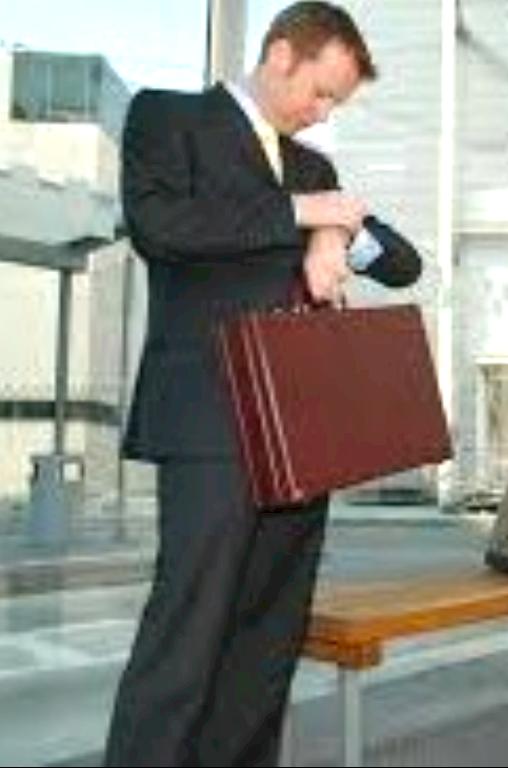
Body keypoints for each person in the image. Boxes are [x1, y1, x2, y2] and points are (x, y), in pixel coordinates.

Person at [104, 3, 420, 765]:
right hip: (209, 419)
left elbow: (404, 265)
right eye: (321, 92)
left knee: (269, 637)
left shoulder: (315, 168)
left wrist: (338, 229)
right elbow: (163, 228)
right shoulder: (168, 117)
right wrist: (305, 213)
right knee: (187, 633)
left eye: (336, 102)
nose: (324, 112)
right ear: (281, 55)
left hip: (299, 432)